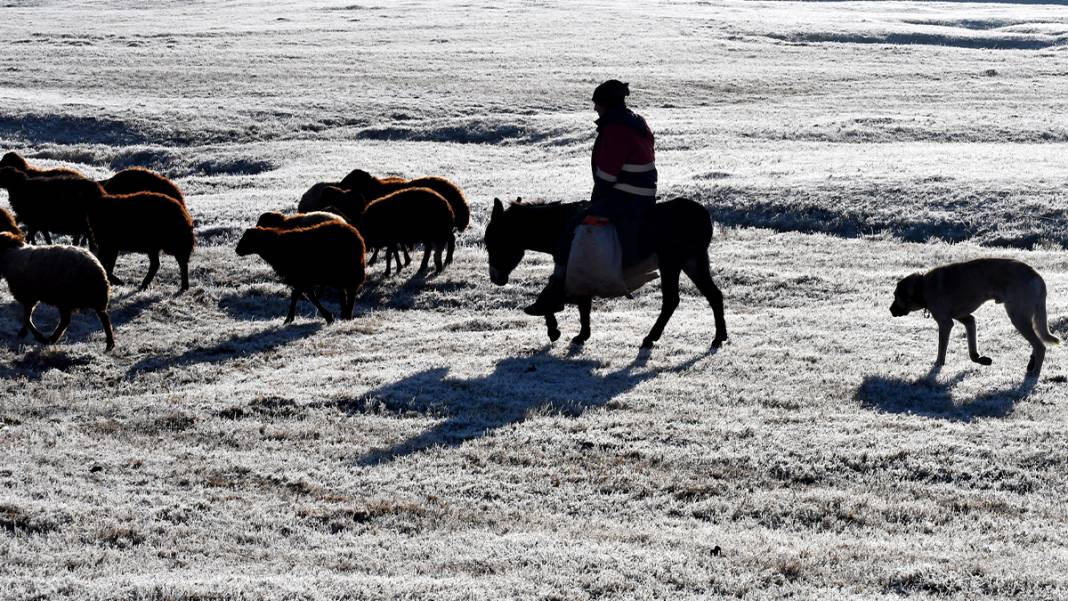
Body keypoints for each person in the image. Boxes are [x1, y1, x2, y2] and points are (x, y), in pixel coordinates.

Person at [523, 79, 658, 316]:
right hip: (641, 195)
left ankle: (557, 291)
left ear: (606, 104)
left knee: (571, 228)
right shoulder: (636, 122)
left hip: (624, 197)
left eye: (597, 104)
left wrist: (595, 203)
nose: (595, 109)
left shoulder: (616, 129)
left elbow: (606, 176)